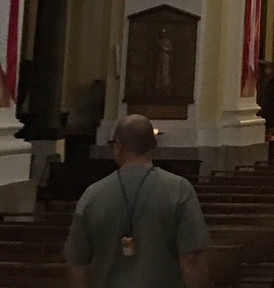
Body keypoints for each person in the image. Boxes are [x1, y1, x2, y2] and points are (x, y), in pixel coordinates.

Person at [65, 114, 211, 288]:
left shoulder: (92, 194)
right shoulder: (179, 189)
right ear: (154, 146)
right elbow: (191, 259)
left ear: (117, 147)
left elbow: (76, 265)